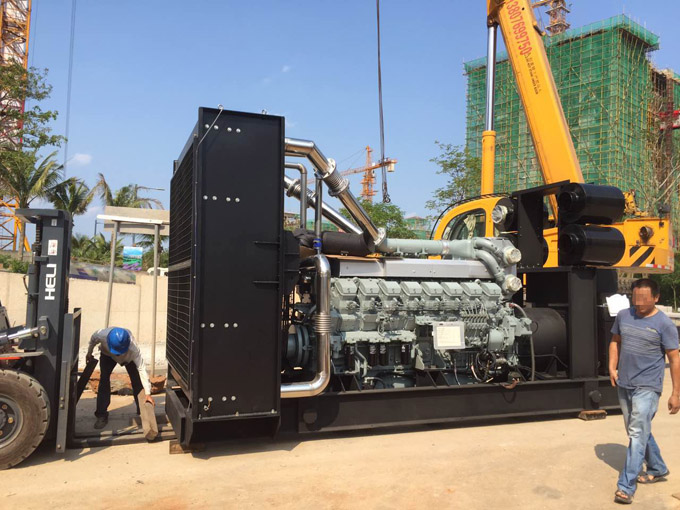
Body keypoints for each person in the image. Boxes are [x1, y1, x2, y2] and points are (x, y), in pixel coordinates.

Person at [609, 278, 680, 504]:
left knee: (637, 433)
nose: (639, 303)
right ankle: (657, 467)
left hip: (648, 386)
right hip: (625, 383)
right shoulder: (624, 316)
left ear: (656, 298)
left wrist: (676, 393)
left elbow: (674, 359)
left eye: (644, 299)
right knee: (637, 431)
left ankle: (626, 486)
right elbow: (615, 341)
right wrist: (612, 367)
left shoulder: (665, 325)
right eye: (635, 298)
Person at [86, 327, 154, 429]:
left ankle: (143, 411)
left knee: (137, 382)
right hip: (107, 355)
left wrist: (148, 393)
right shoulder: (101, 335)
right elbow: (92, 341)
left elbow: (141, 369)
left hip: (128, 358)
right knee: (104, 380)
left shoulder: (133, 349)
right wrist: (89, 353)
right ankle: (101, 415)